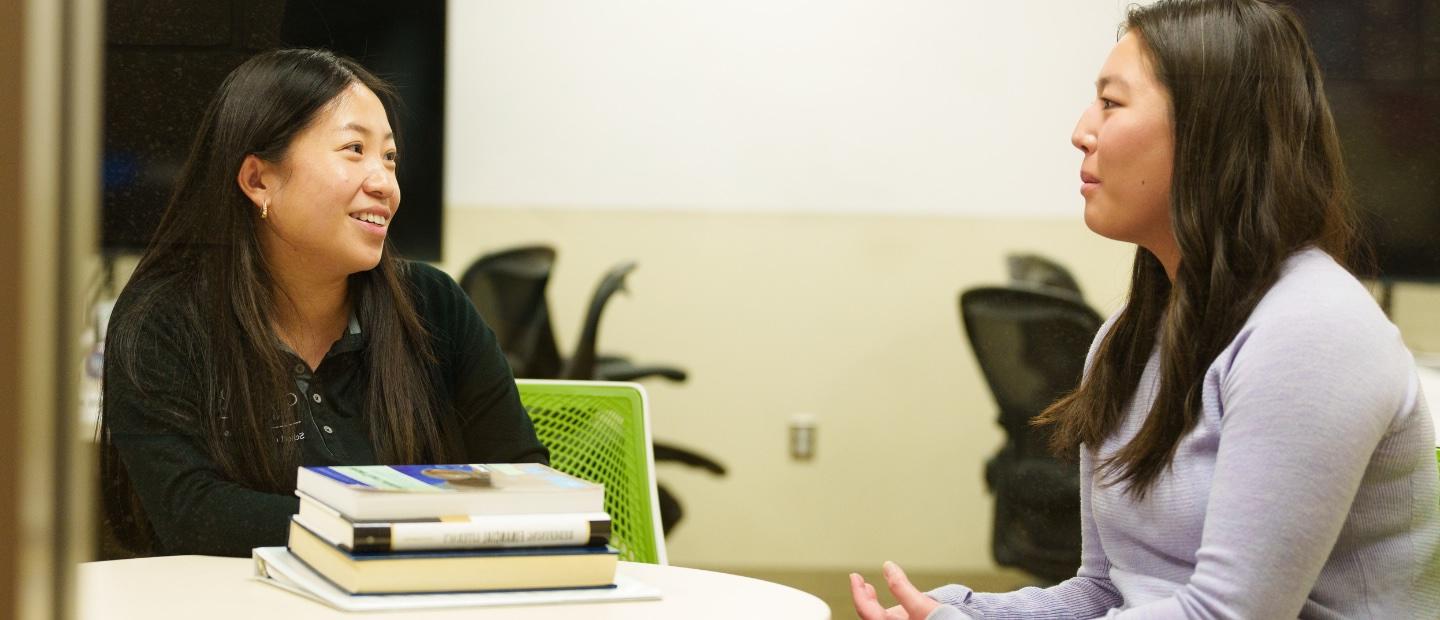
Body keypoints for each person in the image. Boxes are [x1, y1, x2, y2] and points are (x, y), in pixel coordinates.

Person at [851, 1, 1440, 617]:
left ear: (1209, 129)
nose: (1082, 130)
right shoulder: (1127, 339)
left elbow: (1227, 616)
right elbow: (1103, 592)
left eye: (1111, 103)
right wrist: (963, 610)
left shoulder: (1313, 331)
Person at [99, 48, 548, 558]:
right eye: (354, 149)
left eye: (390, 157)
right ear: (257, 180)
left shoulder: (433, 305)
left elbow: (524, 482)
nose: (385, 184)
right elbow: (195, 516)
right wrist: (401, 521)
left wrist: (393, 527)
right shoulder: (165, 318)